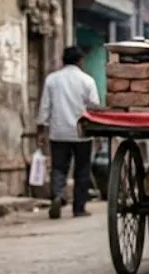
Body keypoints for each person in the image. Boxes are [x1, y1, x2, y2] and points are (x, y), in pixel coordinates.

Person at [37, 45, 104, 220]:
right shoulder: (87, 80)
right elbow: (94, 107)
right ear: (80, 61)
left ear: (63, 61)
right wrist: (98, 135)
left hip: (58, 132)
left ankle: (58, 195)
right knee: (82, 170)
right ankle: (79, 208)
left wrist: (42, 130)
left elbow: (45, 106)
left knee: (59, 168)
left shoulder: (52, 80)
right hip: (82, 132)